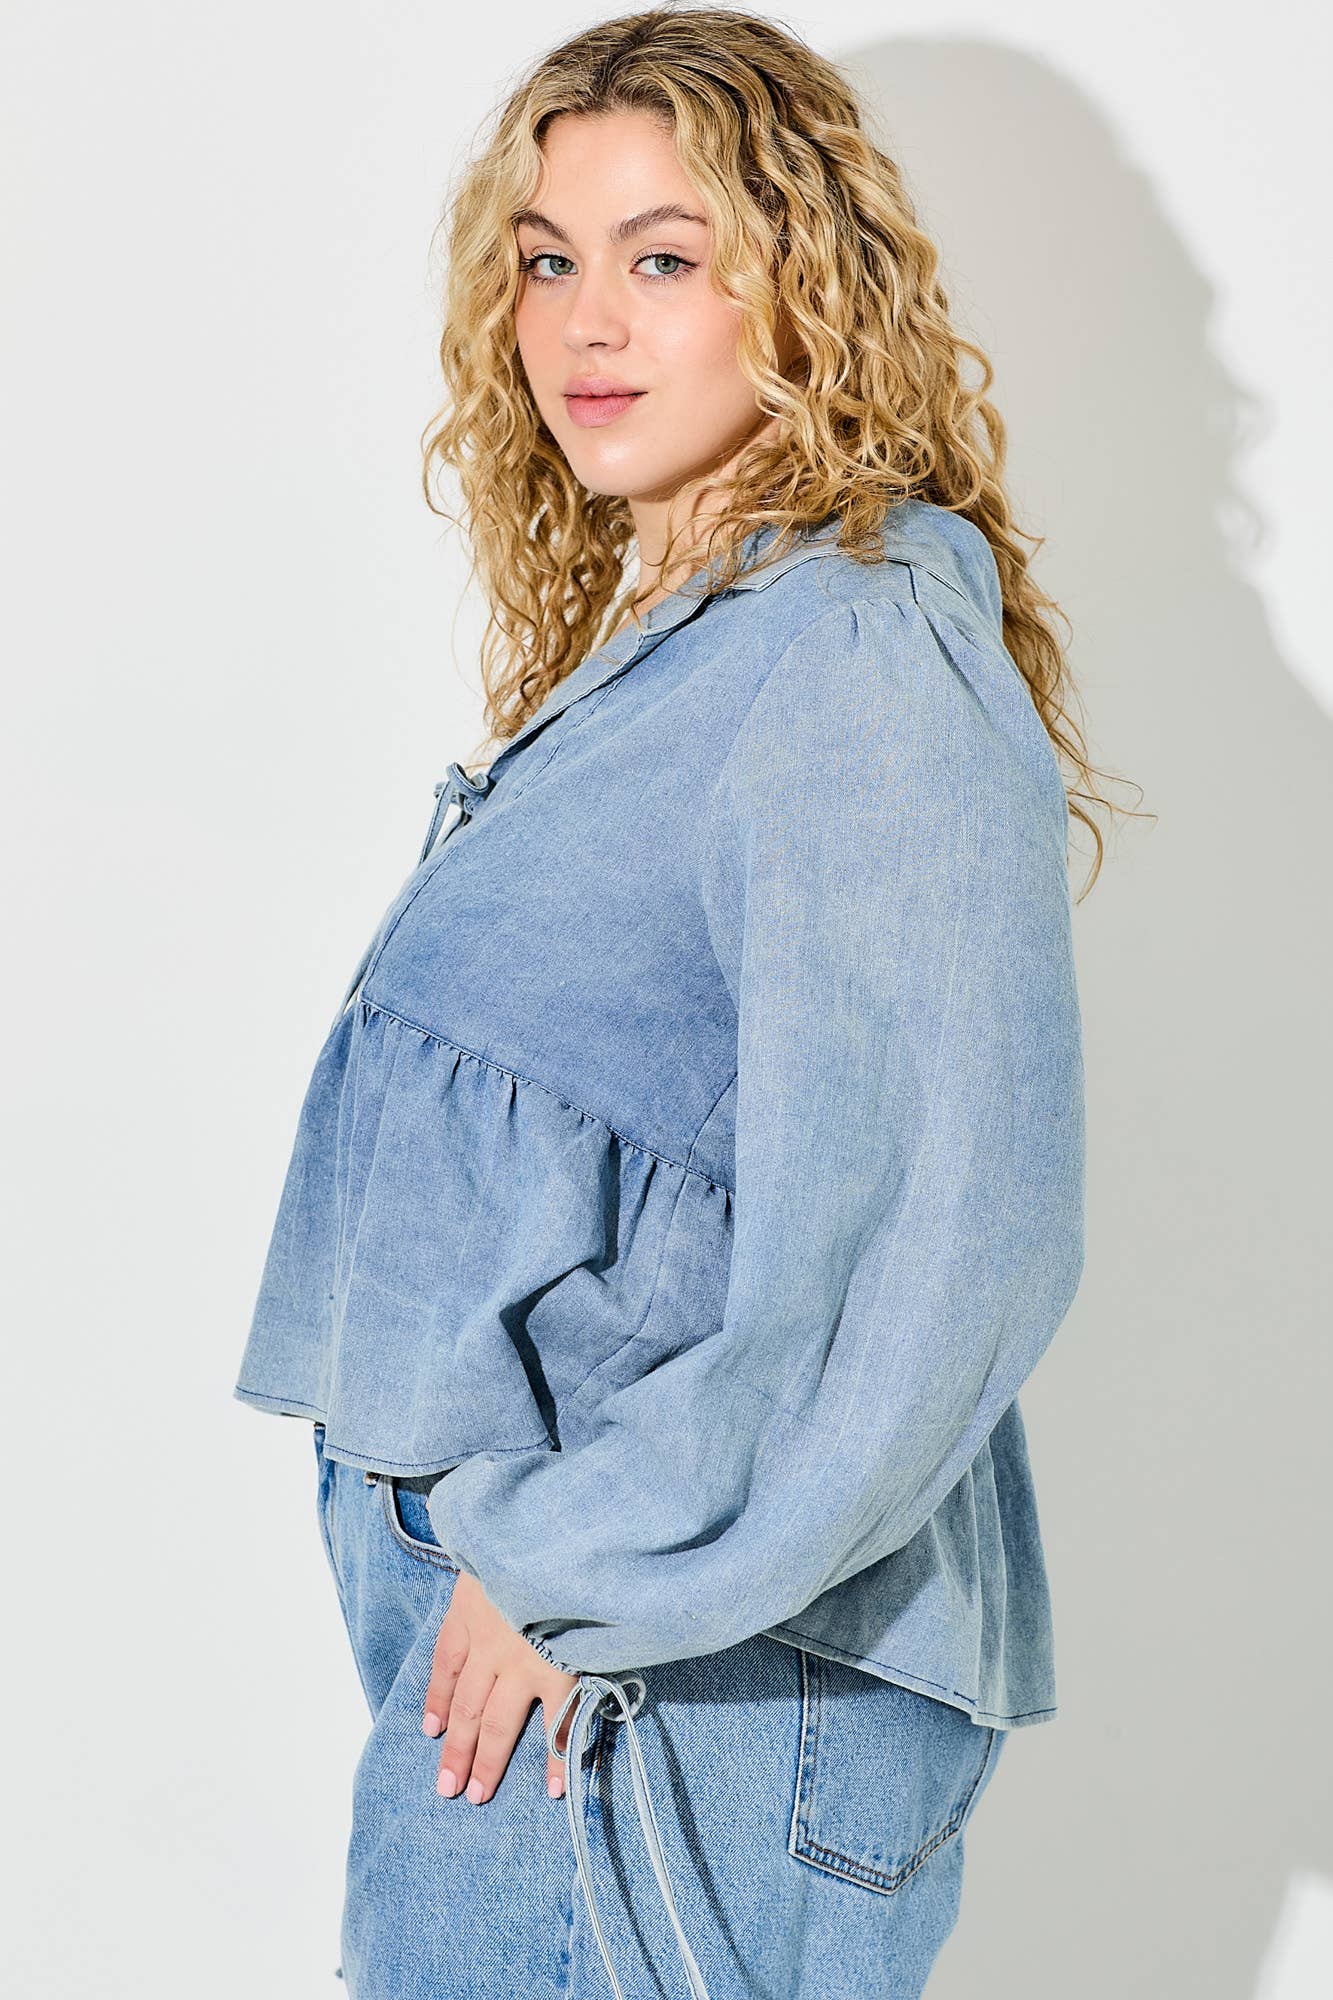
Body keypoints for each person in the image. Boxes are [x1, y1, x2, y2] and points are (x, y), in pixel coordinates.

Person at [233, 9, 1125, 1995]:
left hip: (663, 1668)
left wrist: (582, 1561)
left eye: (662, 256)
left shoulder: (854, 649)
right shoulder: (690, 644)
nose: (585, 323)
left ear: (802, 289)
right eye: (548, 258)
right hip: (581, 1640)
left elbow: (947, 1233)